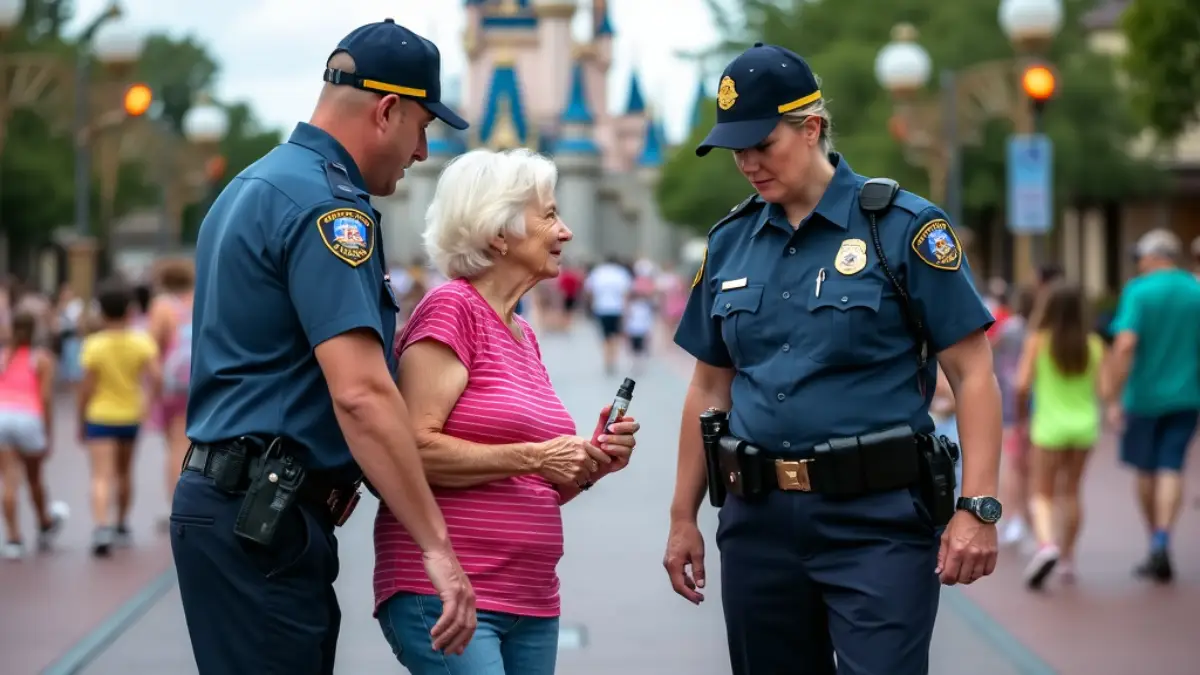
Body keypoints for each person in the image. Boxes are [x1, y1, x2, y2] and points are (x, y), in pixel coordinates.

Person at [662, 43, 1002, 675]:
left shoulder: (902, 229)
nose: (748, 164)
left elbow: (974, 375)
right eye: (737, 150)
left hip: (876, 524)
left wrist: (977, 507)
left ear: (811, 127)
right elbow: (710, 385)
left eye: (763, 144)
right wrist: (683, 517)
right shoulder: (730, 243)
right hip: (757, 522)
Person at [169, 19, 477, 675]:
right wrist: (437, 545)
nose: (422, 151)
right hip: (263, 520)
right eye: (422, 127)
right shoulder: (329, 208)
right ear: (388, 109)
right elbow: (361, 392)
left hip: (239, 508)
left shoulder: (254, 184)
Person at [374, 148, 640, 674]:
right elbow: (410, 450)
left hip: (531, 600)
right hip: (454, 592)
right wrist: (538, 456)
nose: (565, 231)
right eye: (548, 215)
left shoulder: (523, 334)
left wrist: (589, 465)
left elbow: (531, 481)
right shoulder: (452, 308)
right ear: (498, 233)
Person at [1106, 228, 1200, 583]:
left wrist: (1113, 396)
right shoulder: (1195, 290)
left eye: (1141, 256)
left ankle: (1154, 543)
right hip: (1188, 395)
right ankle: (1163, 538)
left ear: (1155, 256)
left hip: (1143, 398)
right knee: (1171, 466)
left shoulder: (1139, 291)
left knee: (1146, 470)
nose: (1139, 262)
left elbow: (1125, 343)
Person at [1014, 282, 1108, 588]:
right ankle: (1068, 559)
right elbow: (1103, 389)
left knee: (1042, 493)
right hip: (1084, 426)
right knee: (1072, 492)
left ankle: (1046, 546)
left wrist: (1021, 420)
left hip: (1049, 427)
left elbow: (1021, 385)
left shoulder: (1038, 341)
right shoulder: (1093, 344)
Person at [78, 280, 160, 556]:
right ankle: (122, 525)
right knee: (125, 473)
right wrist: (148, 402)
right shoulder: (142, 341)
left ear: (101, 311)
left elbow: (86, 387)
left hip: (100, 415)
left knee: (101, 475)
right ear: (130, 310)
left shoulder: (93, 344)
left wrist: (81, 419)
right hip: (130, 415)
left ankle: (101, 527)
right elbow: (157, 377)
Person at [0, 310, 67, 560]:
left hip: (2, 414)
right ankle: (43, 523)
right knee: (35, 478)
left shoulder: (3, 357)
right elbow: (47, 397)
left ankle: (13, 538)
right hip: (29, 416)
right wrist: (47, 431)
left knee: (8, 480)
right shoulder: (42, 359)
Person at [146, 259, 195, 524]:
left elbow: (152, 347)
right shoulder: (201, 299)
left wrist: (154, 386)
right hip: (201, 379)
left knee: (176, 446)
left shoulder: (162, 306)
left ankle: (178, 506)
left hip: (174, 385)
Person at [584, 254, 633, 375]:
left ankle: (607, 360)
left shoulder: (598, 272)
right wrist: (627, 309)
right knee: (616, 336)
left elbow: (589, 289)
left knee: (605, 336)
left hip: (601, 308)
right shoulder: (621, 273)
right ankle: (613, 359)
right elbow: (626, 293)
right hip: (617, 308)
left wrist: (591, 304)